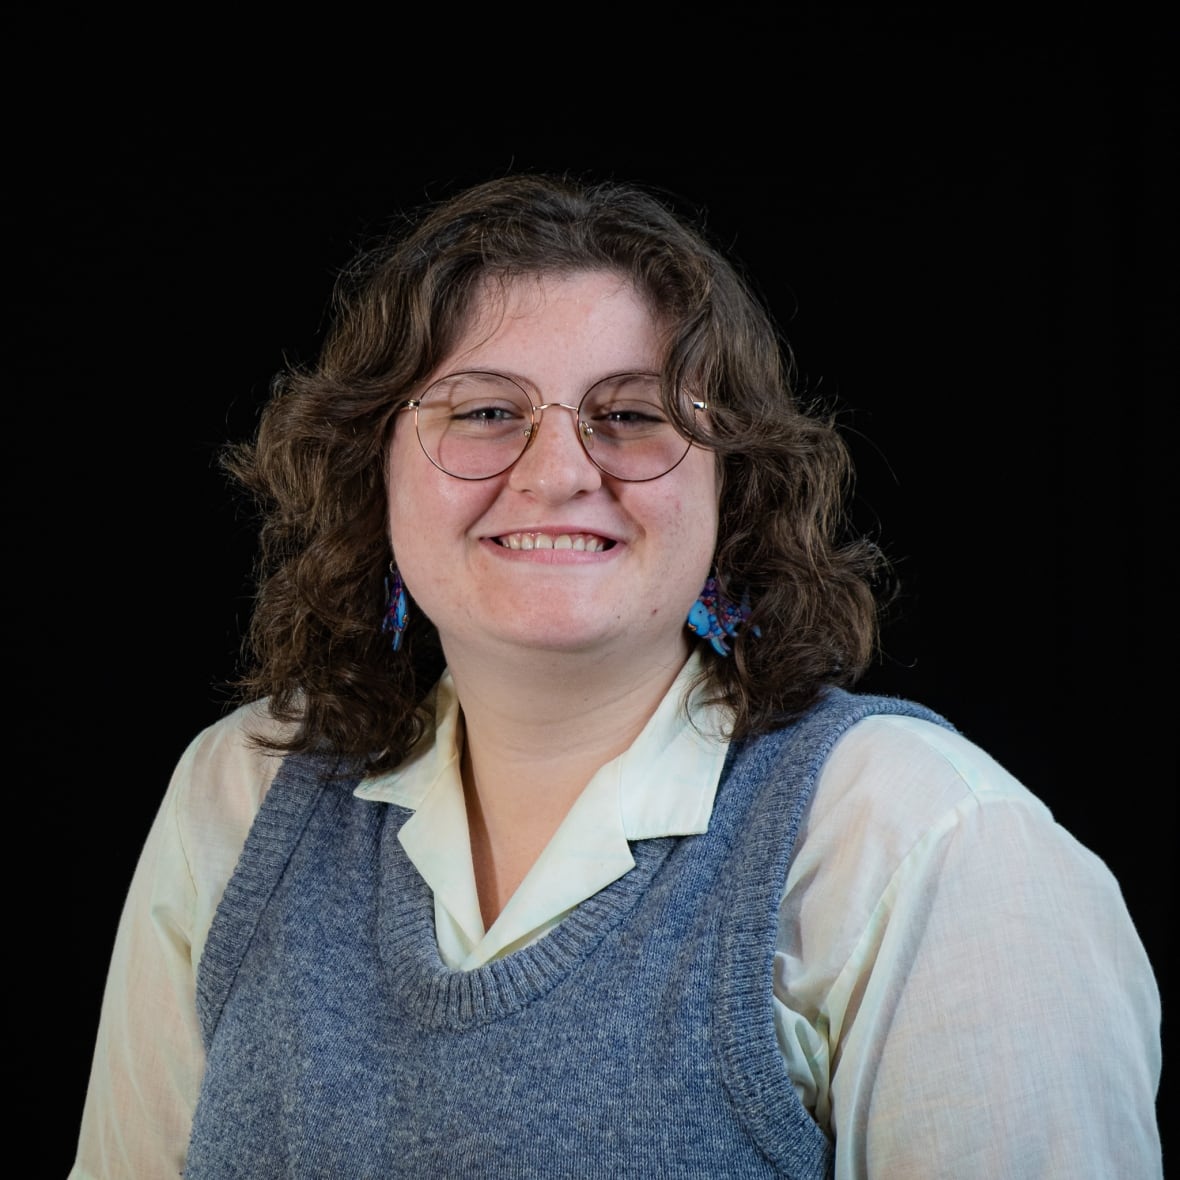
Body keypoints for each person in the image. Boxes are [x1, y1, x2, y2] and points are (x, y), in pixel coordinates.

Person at [71, 173, 1162, 1179]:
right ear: (372, 471)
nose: (555, 474)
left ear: (734, 486)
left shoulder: (928, 843)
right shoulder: (240, 792)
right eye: (486, 411)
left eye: (632, 416)